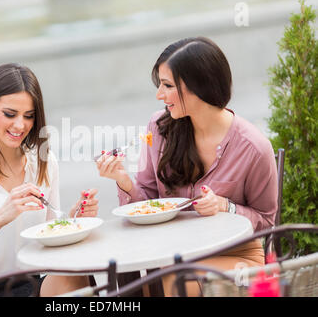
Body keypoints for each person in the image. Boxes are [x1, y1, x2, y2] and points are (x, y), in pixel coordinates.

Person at [96, 37, 278, 296]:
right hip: (171, 254)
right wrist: (124, 180)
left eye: (168, 86)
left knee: (176, 277)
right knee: (135, 285)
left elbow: (268, 222)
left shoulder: (253, 147)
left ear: (199, 86)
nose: (159, 95)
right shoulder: (160, 128)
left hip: (237, 258)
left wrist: (225, 206)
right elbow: (147, 201)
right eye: (160, 84)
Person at [0, 63, 99, 297]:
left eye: (29, 116)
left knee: (75, 273)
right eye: (10, 114)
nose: (20, 125)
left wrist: (74, 219)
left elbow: (51, 237)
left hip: (31, 284)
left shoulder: (43, 162)